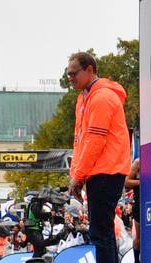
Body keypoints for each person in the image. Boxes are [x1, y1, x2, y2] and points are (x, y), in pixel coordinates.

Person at [67, 52, 131, 263]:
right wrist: (76, 175)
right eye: (68, 75)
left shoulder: (101, 97)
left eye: (74, 73)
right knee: (102, 232)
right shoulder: (86, 98)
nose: (70, 78)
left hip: (106, 171)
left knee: (100, 232)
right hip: (102, 171)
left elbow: (93, 141)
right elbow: (80, 141)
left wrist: (78, 176)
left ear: (90, 70)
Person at [125, 158, 140, 263]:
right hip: (142, 204)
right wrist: (141, 181)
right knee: (139, 239)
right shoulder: (139, 162)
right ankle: (136, 260)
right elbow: (126, 182)